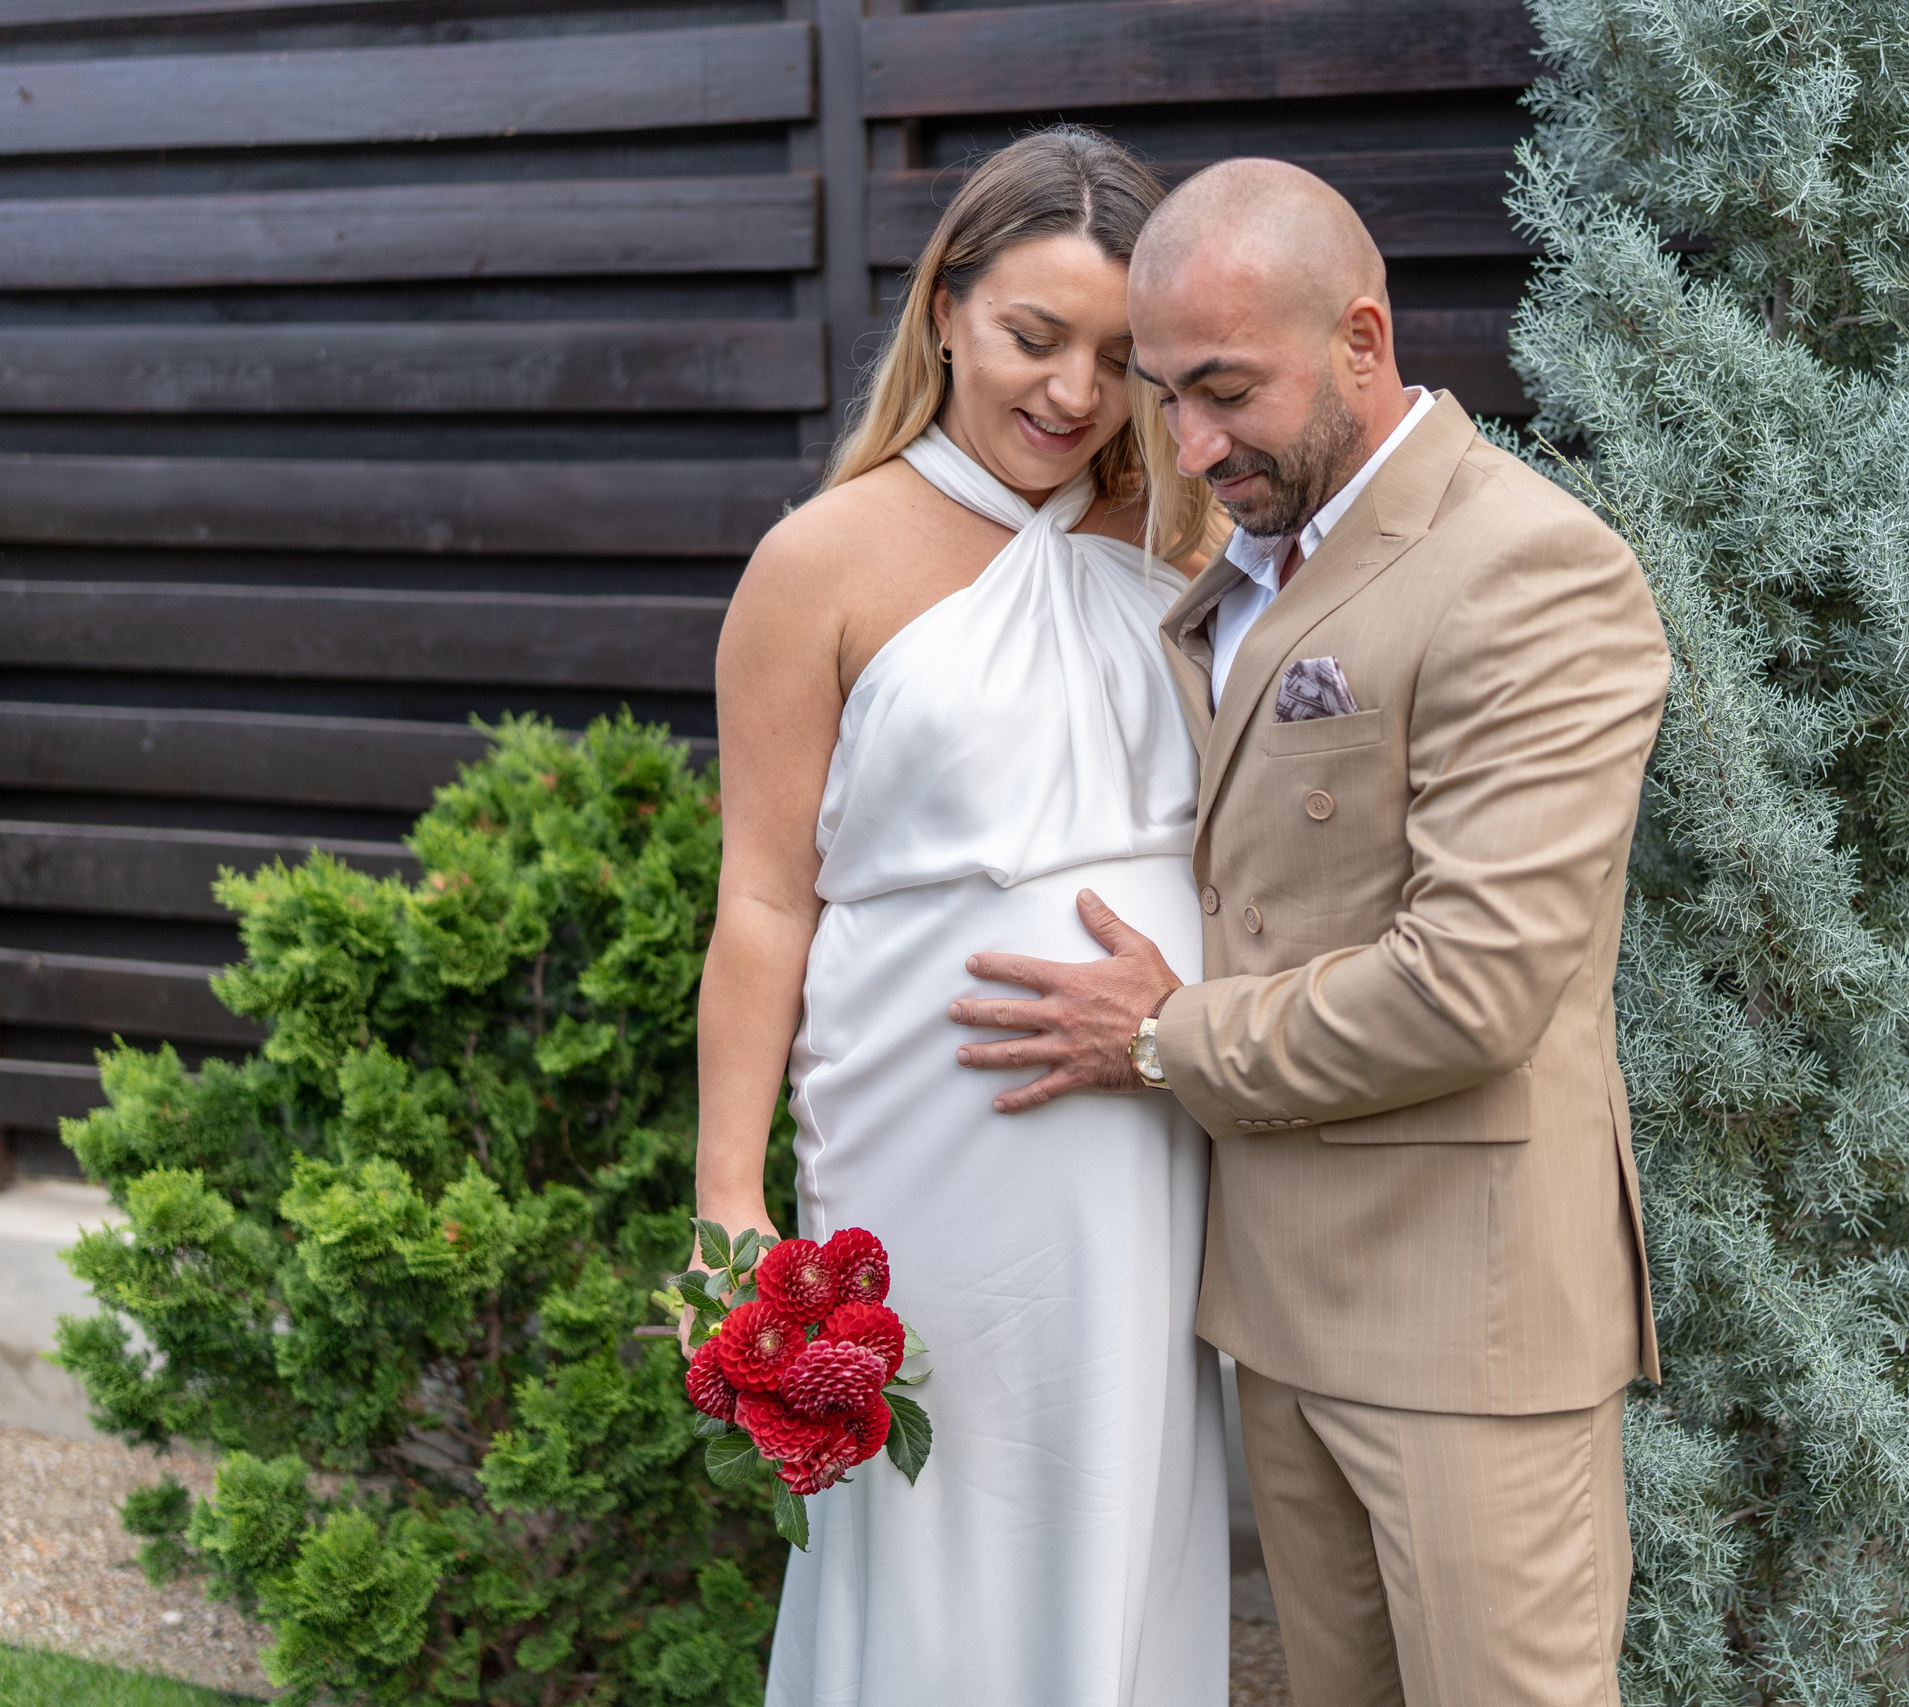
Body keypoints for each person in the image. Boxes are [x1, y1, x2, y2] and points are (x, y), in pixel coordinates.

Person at [948, 158, 1671, 1707]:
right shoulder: (1247, 560)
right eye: (1166, 397)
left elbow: (1472, 987)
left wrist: (1155, 1036)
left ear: (1360, 337)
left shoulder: (1533, 569)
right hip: (1274, 1310)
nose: (1192, 446)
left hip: (1468, 1332)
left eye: (1226, 391)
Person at [693, 127, 1228, 1706]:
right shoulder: (820, 560)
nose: (1073, 392)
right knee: (935, 1530)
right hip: (925, 1137)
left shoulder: (1181, 550)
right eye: (1034, 336)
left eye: (1122, 357)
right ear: (945, 311)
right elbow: (763, 898)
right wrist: (731, 1205)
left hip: (1151, 1144)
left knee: (1124, 1515)